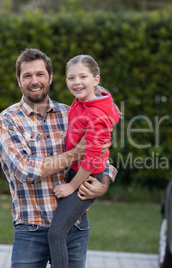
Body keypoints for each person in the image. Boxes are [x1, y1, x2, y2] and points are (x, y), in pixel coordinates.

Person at [0, 48, 117, 268]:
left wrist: (103, 184)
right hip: (31, 229)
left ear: (50, 77)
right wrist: (76, 153)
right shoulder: (7, 120)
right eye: (27, 75)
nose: (34, 81)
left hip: (74, 229)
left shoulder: (71, 113)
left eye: (40, 74)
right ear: (18, 80)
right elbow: (25, 169)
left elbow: (102, 158)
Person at [47, 55, 120, 268]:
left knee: (56, 233)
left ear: (95, 79)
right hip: (77, 170)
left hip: (86, 179)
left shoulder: (97, 115)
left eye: (83, 77)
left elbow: (92, 160)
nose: (76, 82)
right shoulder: (81, 101)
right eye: (71, 78)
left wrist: (71, 185)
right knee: (62, 232)